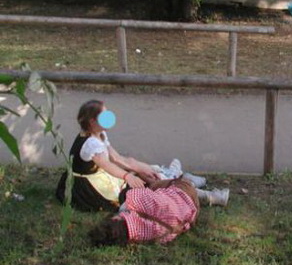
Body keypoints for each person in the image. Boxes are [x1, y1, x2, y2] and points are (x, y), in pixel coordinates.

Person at [55, 100, 228, 212]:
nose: (109, 118)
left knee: (146, 175)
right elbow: (109, 165)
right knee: (147, 187)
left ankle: (179, 179)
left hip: (103, 176)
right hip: (91, 188)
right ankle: (203, 194)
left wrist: (144, 168)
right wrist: (128, 175)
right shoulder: (91, 144)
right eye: (104, 115)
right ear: (93, 121)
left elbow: (117, 158)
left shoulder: (98, 135)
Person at [89, 178, 200, 245]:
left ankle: (205, 194)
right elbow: (138, 191)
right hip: (184, 192)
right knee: (148, 185)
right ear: (115, 219)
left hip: (191, 214)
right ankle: (190, 182)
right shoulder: (135, 202)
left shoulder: (144, 238)